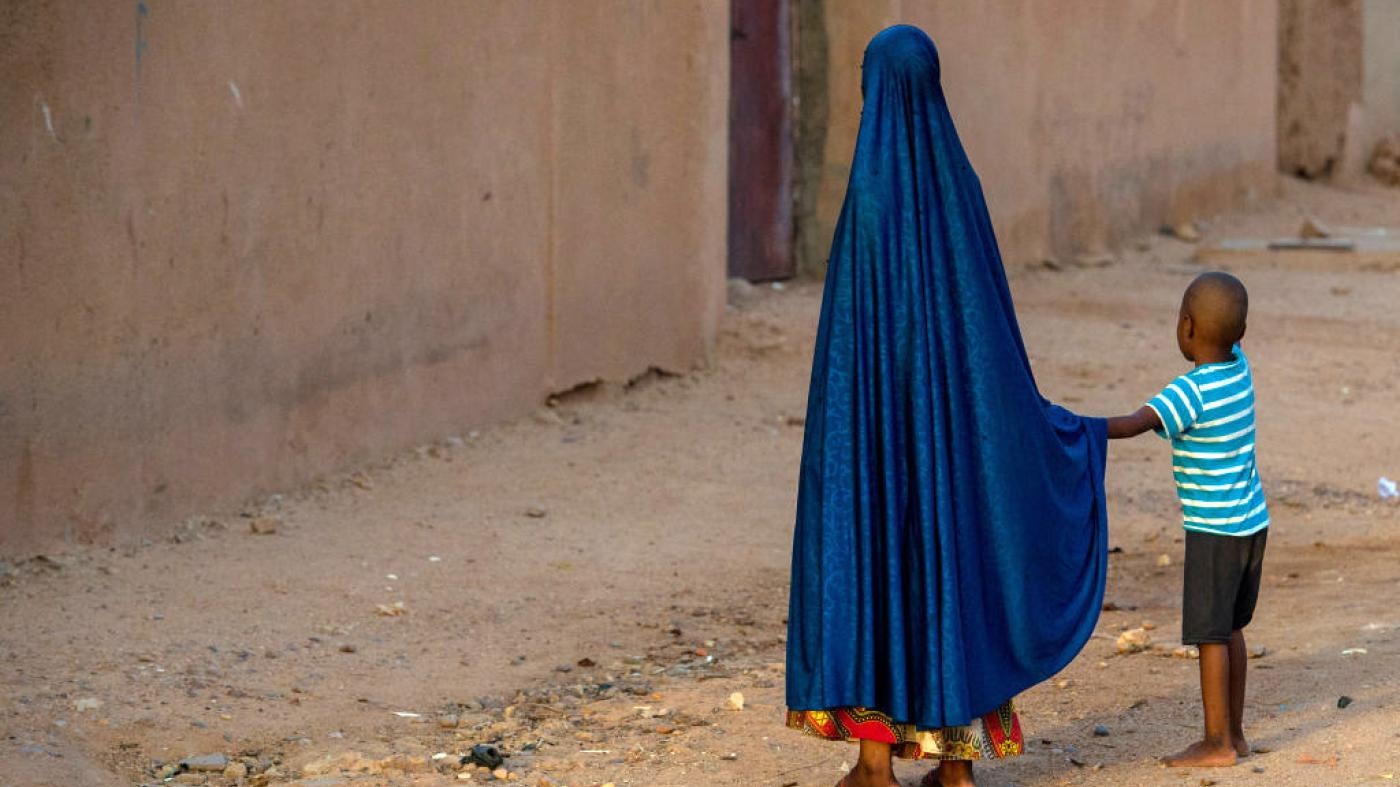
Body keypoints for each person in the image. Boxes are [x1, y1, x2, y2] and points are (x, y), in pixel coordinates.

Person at [784, 26, 1109, 787]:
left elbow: (849, 354)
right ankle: (957, 769)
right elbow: (988, 331)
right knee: (955, 561)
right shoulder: (959, 187)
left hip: (873, 440)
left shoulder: (868, 197)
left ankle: (875, 765)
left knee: (874, 561)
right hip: (957, 440)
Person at [1103, 271, 1268, 767]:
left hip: (1214, 532)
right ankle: (1235, 735)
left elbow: (1135, 423)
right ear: (1240, 335)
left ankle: (1216, 742)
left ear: (1188, 327)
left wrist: (1073, 426)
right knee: (1232, 628)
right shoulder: (1240, 369)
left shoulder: (1190, 392)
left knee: (1210, 635)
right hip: (1252, 524)